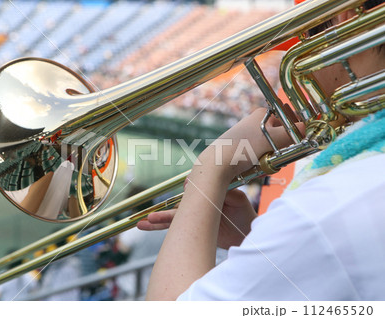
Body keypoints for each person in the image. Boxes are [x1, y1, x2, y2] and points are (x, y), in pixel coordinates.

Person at [139, 0, 385, 300]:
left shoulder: (325, 209)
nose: (305, 51)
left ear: (343, 19)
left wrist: (212, 167)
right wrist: (259, 236)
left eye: (308, 35)